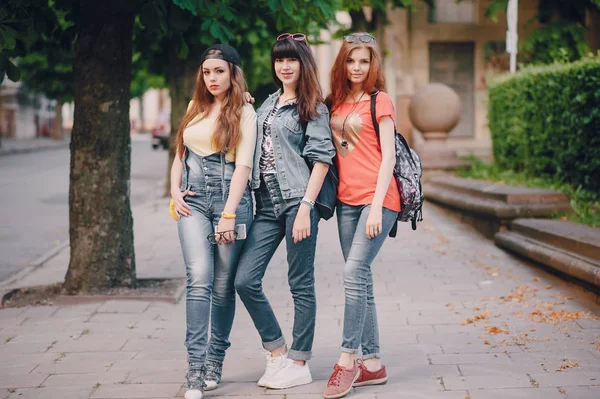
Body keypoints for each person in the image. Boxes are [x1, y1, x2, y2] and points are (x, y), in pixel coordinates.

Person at [234, 33, 335, 390]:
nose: (284, 66)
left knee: (300, 283)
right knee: (244, 279)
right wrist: (243, 100)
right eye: (279, 59)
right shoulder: (268, 103)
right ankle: (276, 350)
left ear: (303, 63)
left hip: (296, 201)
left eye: (291, 59)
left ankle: (300, 361)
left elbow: (322, 158)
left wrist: (307, 208)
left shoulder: (314, 107)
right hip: (265, 204)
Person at [170, 44, 256, 399]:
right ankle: (194, 368)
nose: (212, 78)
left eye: (219, 71)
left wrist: (229, 214)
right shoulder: (195, 107)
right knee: (199, 278)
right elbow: (180, 154)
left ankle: (214, 362)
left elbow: (244, 169)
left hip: (228, 202)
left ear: (233, 72)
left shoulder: (245, 112)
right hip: (192, 202)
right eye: (207, 72)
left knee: (222, 287)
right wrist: (174, 190)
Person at [322, 33, 399, 399]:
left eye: (364, 62)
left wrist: (376, 205)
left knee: (353, 271)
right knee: (361, 278)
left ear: (373, 65)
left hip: (378, 200)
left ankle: (347, 359)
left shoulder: (379, 101)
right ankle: (373, 365)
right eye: (352, 61)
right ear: (343, 64)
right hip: (345, 202)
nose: (357, 68)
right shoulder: (334, 102)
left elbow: (389, 157)